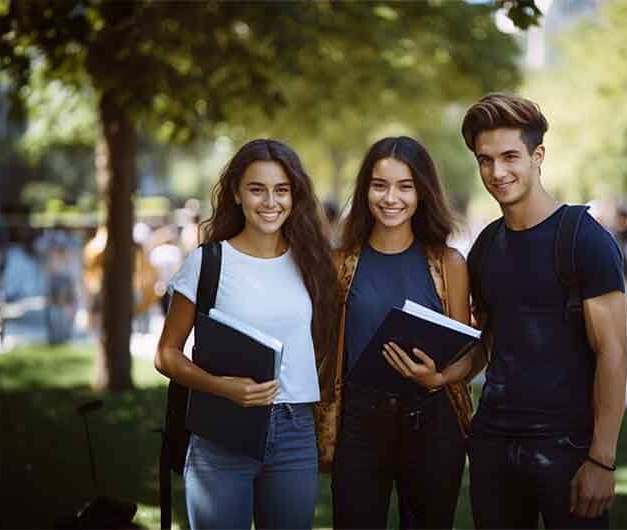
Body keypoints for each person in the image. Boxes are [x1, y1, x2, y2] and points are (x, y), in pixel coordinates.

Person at [460, 93, 627, 529]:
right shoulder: (485, 246)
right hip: (493, 444)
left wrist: (602, 460)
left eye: (510, 156)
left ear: (538, 156)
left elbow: (613, 354)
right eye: (485, 160)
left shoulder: (585, 240)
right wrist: (442, 374)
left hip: (568, 448)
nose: (497, 172)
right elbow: (489, 340)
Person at [154, 139, 338, 529]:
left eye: (281, 190)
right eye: (257, 189)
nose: (270, 202)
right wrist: (221, 386)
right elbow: (166, 354)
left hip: (293, 431)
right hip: (221, 428)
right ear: (237, 193)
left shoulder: (313, 262)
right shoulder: (207, 262)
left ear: (295, 196)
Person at [324, 136, 473, 529]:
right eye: (380, 185)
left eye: (405, 186)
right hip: (359, 422)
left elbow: (470, 353)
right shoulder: (339, 262)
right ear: (365, 190)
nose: (391, 198)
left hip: (433, 420)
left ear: (423, 192)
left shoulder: (449, 263)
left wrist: (438, 378)